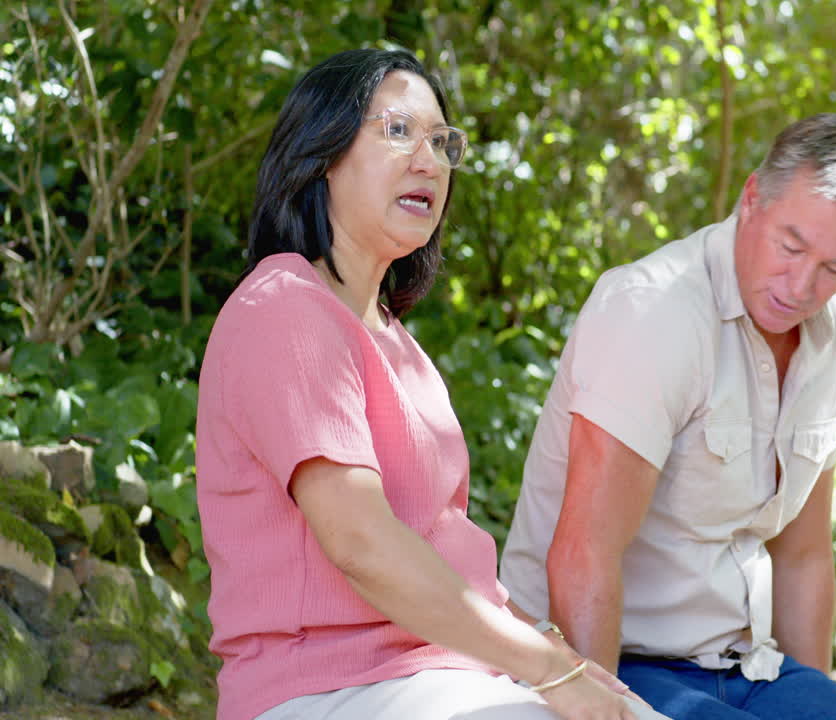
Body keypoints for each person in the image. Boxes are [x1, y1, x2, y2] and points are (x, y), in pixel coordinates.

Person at [195, 48, 669, 720]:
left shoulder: (398, 343)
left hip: (441, 680)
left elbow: (452, 568)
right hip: (328, 689)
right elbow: (362, 544)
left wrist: (555, 661)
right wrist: (551, 672)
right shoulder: (283, 309)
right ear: (322, 152)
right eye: (396, 132)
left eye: (443, 142)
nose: (429, 160)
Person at [498, 114, 836, 720]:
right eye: (791, 247)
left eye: (835, 269)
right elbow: (584, 552)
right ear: (751, 198)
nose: (803, 285)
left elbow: (804, 555)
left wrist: (814, 701)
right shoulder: (654, 311)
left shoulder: (834, 339)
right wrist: (601, 708)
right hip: (605, 662)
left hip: (747, 668)